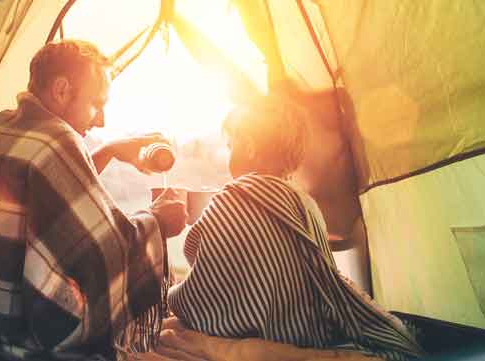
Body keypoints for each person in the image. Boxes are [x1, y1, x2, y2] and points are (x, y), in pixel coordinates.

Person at [0, 40, 187, 358]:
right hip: (32, 331)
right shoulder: (57, 138)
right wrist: (158, 222)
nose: (100, 120)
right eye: (97, 104)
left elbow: (51, 200)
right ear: (61, 90)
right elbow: (105, 248)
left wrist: (109, 151)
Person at [166, 98, 425, 361]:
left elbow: (209, 280)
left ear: (251, 147)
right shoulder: (305, 201)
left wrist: (172, 297)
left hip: (270, 335)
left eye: (232, 146)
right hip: (311, 330)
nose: (229, 156)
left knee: (166, 329)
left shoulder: (234, 197)